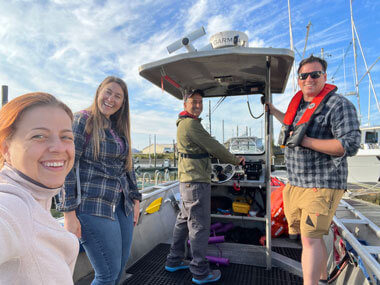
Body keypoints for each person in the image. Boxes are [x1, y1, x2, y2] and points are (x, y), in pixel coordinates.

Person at [267, 55, 361, 285]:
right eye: (304, 75)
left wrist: (307, 141)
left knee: (309, 240)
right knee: (312, 237)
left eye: (315, 74)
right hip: (297, 183)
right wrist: (273, 110)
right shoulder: (299, 105)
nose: (309, 79)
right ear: (299, 80)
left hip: (322, 184)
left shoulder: (338, 105)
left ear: (324, 77)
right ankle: (321, 278)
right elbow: (291, 127)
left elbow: (350, 145)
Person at [57, 76, 141, 285]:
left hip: (122, 205)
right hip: (93, 205)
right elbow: (67, 167)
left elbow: (127, 168)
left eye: (118, 96)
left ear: (123, 103)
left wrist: (136, 199)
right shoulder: (81, 121)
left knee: (119, 269)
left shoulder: (119, 128)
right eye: (108, 92)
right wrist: (68, 213)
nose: (111, 99)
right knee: (107, 274)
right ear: (98, 92)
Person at [165, 89, 245, 284]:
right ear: (185, 104)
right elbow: (214, 146)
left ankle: (174, 259)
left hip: (187, 180)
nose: (198, 105)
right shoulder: (191, 124)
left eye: (201, 102)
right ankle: (200, 271)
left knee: (184, 220)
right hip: (196, 181)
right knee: (199, 226)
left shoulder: (184, 123)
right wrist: (235, 160)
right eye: (194, 102)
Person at [0, 92, 79, 284]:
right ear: (6, 150)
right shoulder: (13, 206)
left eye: (66, 137)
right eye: (39, 136)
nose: (58, 148)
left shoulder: (37, 199)